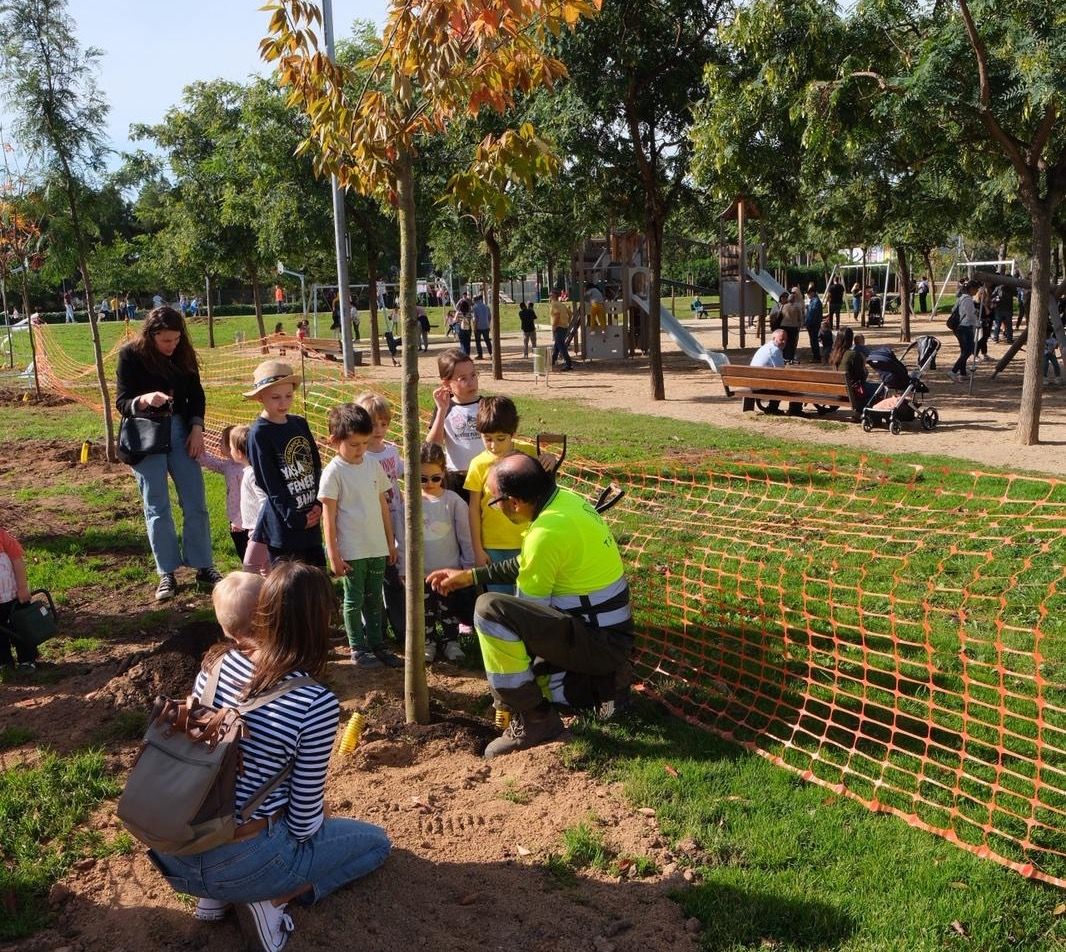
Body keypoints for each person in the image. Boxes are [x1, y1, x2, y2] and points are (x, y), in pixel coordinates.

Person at [149, 563, 391, 952]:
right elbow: (303, 824)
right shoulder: (315, 702)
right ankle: (271, 897)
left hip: (173, 849)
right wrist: (318, 820)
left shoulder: (214, 664)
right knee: (376, 843)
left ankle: (214, 898)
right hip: (246, 860)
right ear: (319, 623)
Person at [427, 455, 633, 759]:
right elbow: (527, 564)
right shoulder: (565, 503)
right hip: (607, 634)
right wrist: (470, 577)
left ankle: (536, 719)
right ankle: (598, 683)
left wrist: (508, 697)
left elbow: (524, 625)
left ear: (514, 502)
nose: (491, 507)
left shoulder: (545, 533)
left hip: (599, 643)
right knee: (517, 641)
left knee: (489, 611)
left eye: (494, 501)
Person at [115, 306, 221, 601]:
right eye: (165, 341)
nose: (172, 346)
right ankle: (167, 572)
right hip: (146, 436)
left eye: (176, 339)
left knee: (195, 501)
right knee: (157, 506)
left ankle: (202, 565)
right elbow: (121, 402)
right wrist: (144, 400)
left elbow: (196, 394)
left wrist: (197, 428)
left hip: (180, 432)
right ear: (150, 335)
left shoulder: (183, 353)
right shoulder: (130, 356)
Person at [318, 403, 400, 670]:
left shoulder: (372, 465)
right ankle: (357, 647)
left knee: (375, 598)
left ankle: (378, 644)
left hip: (377, 546)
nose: (360, 450)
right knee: (354, 600)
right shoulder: (333, 473)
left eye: (365, 443)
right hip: (352, 551)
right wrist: (334, 555)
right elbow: (327, 518)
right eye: (354, 444)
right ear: (334, 441)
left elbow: (383, 506)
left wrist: (390, 542)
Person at [399, 443, 475, 664]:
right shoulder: (409, 504)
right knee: (424, 612)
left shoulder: (453, 502)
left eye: (435, 478)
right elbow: (402, 538)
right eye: (423, 479)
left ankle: (452, 642)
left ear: (443, 473)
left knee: (449, 609)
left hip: (448, 571)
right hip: (421, 572)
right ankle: (428, 643)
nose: (429, 484)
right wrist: (404, 567)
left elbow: (465, 536)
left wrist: (468, 566)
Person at [244, 359, 324, 566]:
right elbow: (269, 482)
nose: (284, 403)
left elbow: (315, 465)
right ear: (260, 397)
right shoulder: (259, 434)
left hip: (311, 518)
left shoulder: (299, 423)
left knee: (316, 580)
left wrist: (318, 503)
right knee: (288, 587)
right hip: (285, 528)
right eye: (275, 397)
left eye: (289, 396)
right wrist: (294, 518)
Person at [465, 397, 533, 597]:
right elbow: (473, 509)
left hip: (527, 543)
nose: (493, 445)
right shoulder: (478, 465)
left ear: (513, 433)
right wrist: (478, 549)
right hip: (494, 547)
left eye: (501, 438)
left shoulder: (528, 454)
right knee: (501, 600)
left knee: (529, 598)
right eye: (487, 438)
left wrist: (549, 459)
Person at [357, 392, 405, 646]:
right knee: (375, 576)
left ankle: (401, 628)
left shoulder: (391, 451)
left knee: (394, 572)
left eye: (383, 424)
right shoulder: (362, 457)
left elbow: (402, 471)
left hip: (396, 517)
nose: (379, 429)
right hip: (373, 523)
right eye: (373, 424)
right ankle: (374, 628)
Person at [427, 348, 483, 495]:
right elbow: (433, 446)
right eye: (463, 378)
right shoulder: (445, 408)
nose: (471, 382)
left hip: (486, 477)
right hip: (457, 480)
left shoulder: (487, 406)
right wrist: (441, 410)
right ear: (446, 383)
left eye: (473, 375)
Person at [199, 424, 248, 561]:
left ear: (234, 449)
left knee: (248, 552)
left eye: (222, 442)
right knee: (241, 549)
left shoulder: (245, 471)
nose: (218, 444)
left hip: (245, 521)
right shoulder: (229, 465)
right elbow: (214, 464)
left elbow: (248, 498)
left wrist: (239, 520)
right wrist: (200, 453)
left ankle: (255, 575)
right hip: (234, 520)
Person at [0, 526, 36, 671]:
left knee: (22, 629)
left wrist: (22, 587)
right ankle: (4, 662)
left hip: (14, 596)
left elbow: (17, 560)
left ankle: (27, 660)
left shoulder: (2, 536)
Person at [748, 328, 800, 416]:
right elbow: (780, 372)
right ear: (774, 339)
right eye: (781, 339)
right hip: (763, 385)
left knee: (776, 382)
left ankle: (772, 407)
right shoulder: (775, 350)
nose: (784, 342)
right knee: (796, 383)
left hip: (754, 382)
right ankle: (795, 409)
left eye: (785, 340)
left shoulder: (766, 347)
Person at [829, 326, 876, 417]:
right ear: (851, 339)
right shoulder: (853, 354)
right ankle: (865, 412)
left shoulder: (834, 354)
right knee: (880, 389)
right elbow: (861, 377)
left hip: (839, 390)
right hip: (852, 392)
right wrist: (865, 369)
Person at [950, 280, 980, 381]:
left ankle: (962, 372)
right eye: (976, 289)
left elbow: (953, 309)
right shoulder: (967, 299)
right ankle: (953, 371)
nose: (976, 292)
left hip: (960, 327)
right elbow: (970, 315)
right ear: (971, 289)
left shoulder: (961, 298)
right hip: (965, 327)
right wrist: (977, 322)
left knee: (964, 350)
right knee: (968, 350)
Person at [549, 291, 573, 371]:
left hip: (558, 326)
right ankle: (552, 361)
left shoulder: (554, 304)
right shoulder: (562, 304)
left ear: (554, 295)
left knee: (561, 346)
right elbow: (570, 313)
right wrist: (568, 321)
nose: (549, 296)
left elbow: (557, 315)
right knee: (557, 345)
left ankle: (568, 363)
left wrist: (554, 326)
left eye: (550, 294)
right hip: (564, 327)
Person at [778, 288, 803, 363]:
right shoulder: (797, 307)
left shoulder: (783, 306)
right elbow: (800, 318)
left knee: (785, 342)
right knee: (792, 342)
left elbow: (779, 315)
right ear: (794, 300)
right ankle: (791, 357)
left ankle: (785, 357)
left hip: (784, 326)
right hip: (793, 327)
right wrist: (799, 326)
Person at [804, 285, 824, 362]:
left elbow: (812, 314)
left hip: (813, 325)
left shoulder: (815, 302)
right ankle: (816, 356)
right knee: (813, 341)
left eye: (808, 293)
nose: (808, 295)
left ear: (812, 293)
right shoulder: (814, 301)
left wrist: (807, 323)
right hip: (813, 324)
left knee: (814, 341)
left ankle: (816, 357)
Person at [472, 294, 492, 358]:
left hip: (478, 327)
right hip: (486, 326)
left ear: (475, 300)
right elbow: (489, 317)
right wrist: (488, 323)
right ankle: (491, 353)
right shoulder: (486, 306)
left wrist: (474, 327)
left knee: (478, 341)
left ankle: (480, 355)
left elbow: (475, 319)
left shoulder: (474, 307)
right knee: (487, 341)